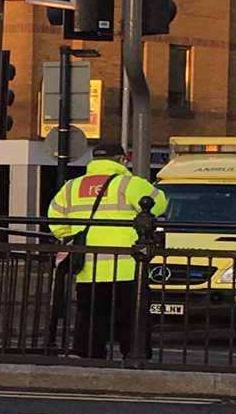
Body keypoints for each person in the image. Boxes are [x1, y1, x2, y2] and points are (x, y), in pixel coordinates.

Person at [46, 141, 168, 360]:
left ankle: (87, 355)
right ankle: (134, 355)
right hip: (128, 265)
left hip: (88, 267)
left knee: (91, 316)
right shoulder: (129, 184)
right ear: (122, 160)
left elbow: (55, 220)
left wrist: (71, 237)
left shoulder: (72, 186)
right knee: (132, 315)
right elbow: (159, 204)